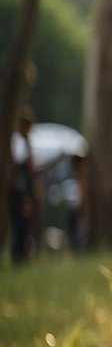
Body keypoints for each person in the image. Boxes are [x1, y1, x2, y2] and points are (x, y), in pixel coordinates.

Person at [9, 107, 39, 264]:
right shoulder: (19, 142)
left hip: (22, 192)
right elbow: (29, 168)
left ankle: (21, 256)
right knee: (20, 226)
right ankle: (19, 257)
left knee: (23, 227)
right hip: (19, 193)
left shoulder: (21, 141)